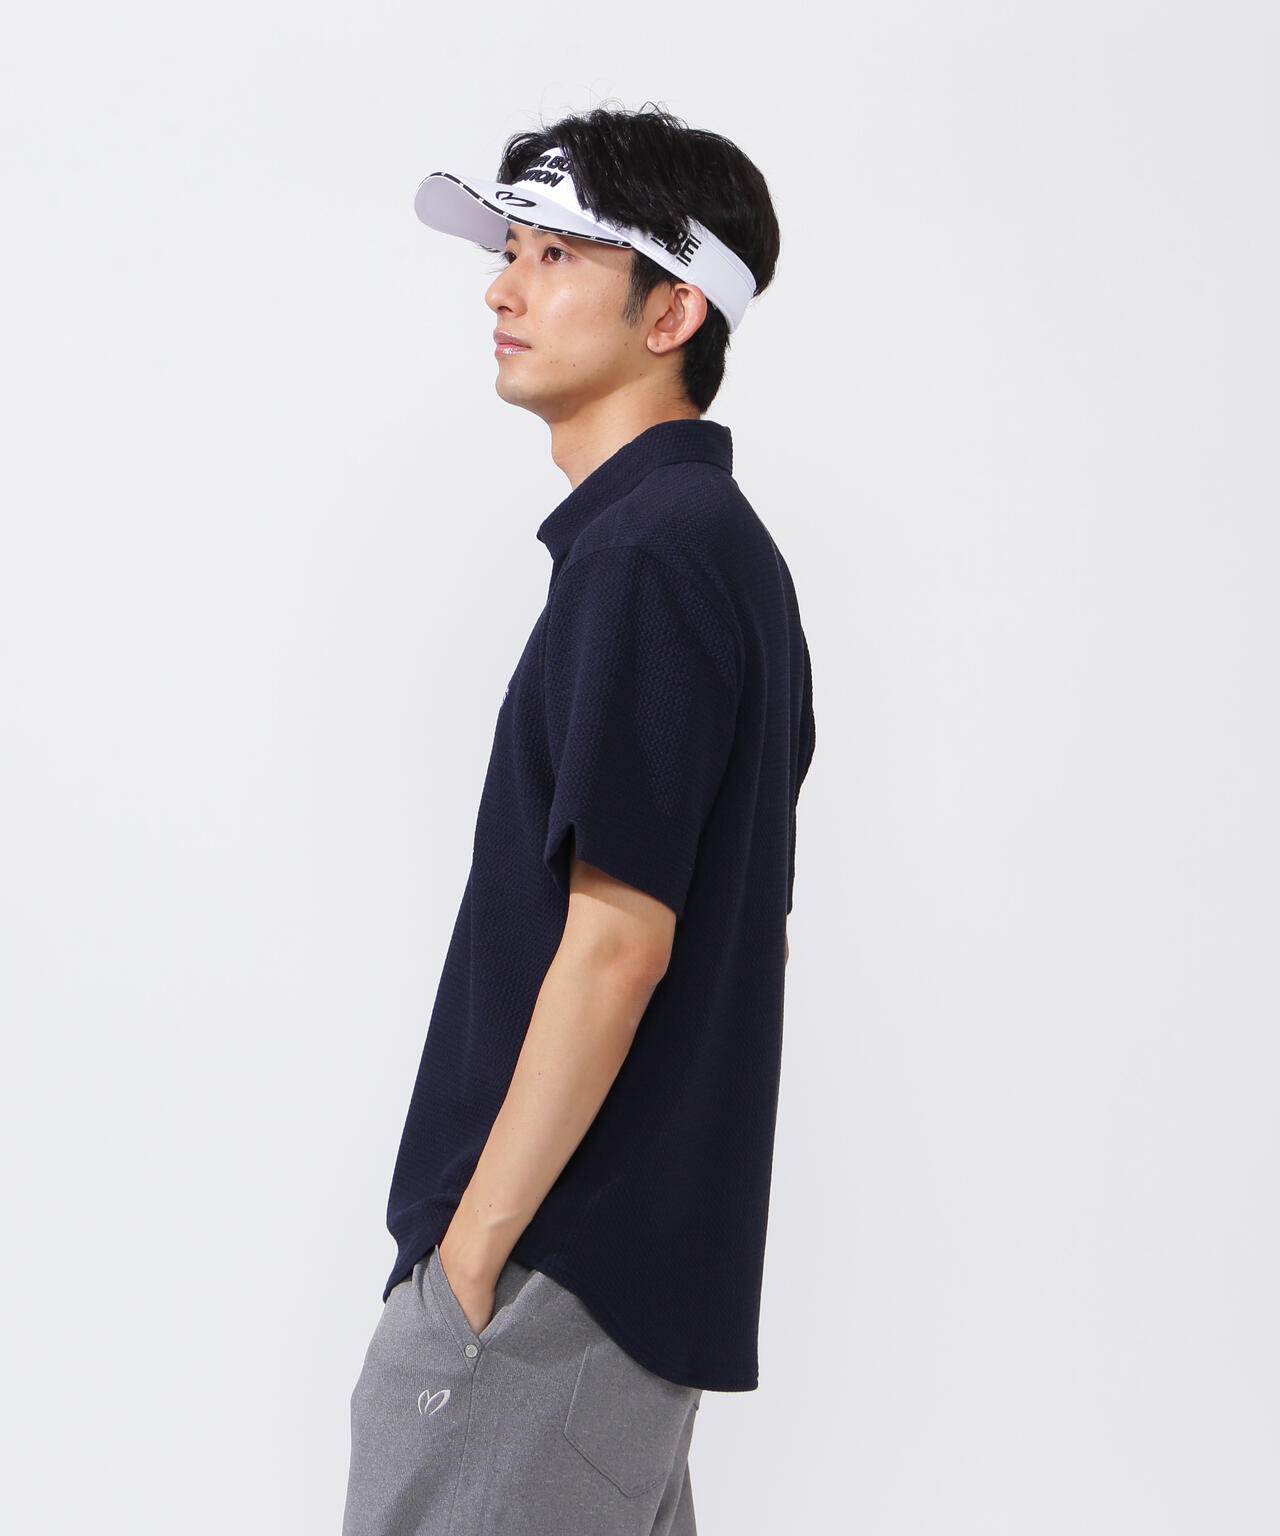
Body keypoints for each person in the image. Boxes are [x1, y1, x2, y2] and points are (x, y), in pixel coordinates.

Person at [342, 103, 817, 1536]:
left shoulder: (652, 558)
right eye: (510, 252)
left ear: (673, 313)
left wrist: (469, 1266)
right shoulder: (693, 549)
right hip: (600, 1287)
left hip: (548, 1284)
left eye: (554, 257)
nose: (503, 289)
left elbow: (619, 945)